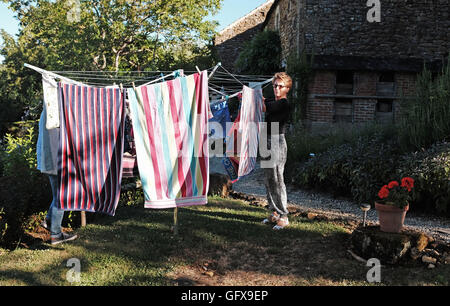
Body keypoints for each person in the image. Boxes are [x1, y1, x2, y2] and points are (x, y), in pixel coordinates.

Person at [37, 104, 78, 245]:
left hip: (48, 161)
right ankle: (56, 235)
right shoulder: (55, 116)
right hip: (56, 162)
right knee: (62, 197)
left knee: (58, 195)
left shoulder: (46, 114)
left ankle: (49, 220)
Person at [261, 72, 292, 230]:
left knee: (277, 179)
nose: (277, 88)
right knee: (268, 179)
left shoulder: (283, 103)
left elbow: (264, 105)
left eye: (280, 86)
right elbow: (266, 101)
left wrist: (252, 96)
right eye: (275, 85)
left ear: (287, 88)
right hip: (266, 138)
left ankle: (284, 215)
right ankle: (273, 212)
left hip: (276, 141)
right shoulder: (274, 100)